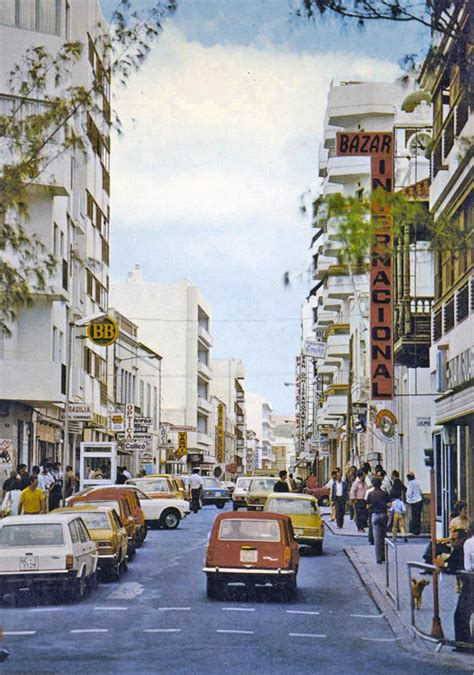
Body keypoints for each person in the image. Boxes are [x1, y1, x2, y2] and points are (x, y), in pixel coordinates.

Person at [453, 520, 474, 651]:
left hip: (472, 581)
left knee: (462, 613)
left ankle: (463, 644)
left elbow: (468, 567)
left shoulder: (469, 543)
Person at [366, 478, 391, 563]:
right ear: (380, 484)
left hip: (375, 515)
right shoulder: (384, 493)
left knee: (376, 538)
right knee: (383, 536)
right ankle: (383, 555)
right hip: (383, 515)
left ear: (373, 485)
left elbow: (368, 505)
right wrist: (384, 505)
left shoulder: (370, 494)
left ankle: (378, 558)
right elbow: (389, 504)